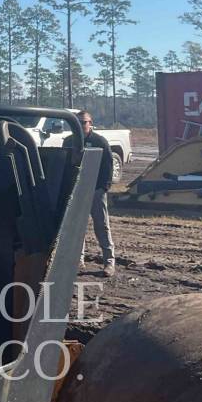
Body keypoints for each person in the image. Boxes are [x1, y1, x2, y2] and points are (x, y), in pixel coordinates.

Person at [78, 110, 116, 278]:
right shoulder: (70, 141)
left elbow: (108, 167)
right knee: (77, 227)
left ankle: (109, 262)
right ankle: (78, 260)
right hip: (77, 192)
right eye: (77, 122)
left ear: (90, 123)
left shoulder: (100, 142)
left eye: (84, 122)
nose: (81, 126)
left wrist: (103, 188)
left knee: (101, 226)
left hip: (96, 190)